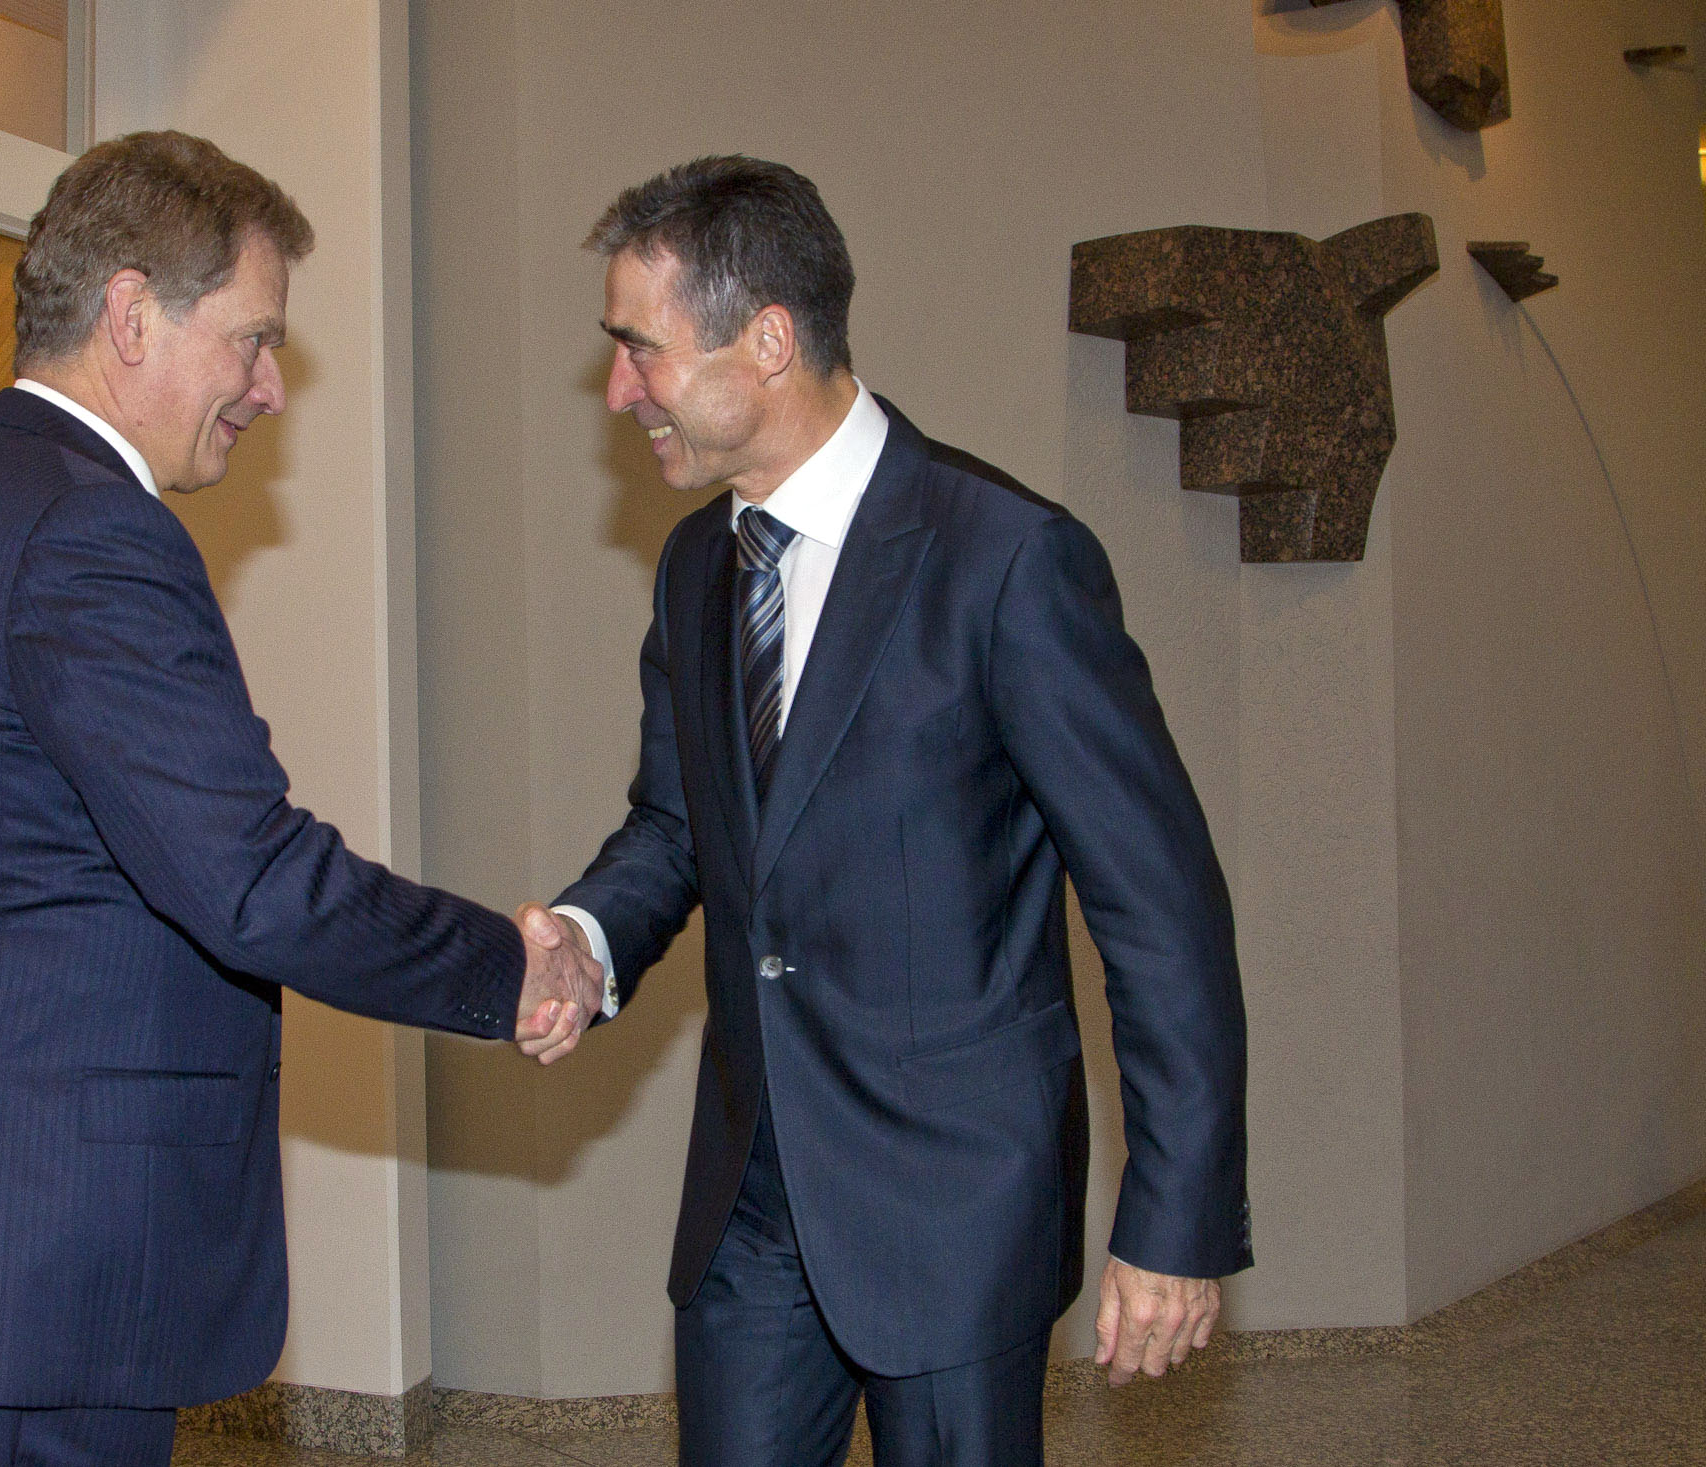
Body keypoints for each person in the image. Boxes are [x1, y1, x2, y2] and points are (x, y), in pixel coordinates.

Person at [0, 131, 601, 1467]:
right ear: (130, 316)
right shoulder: (86, 530)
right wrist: (514, 966)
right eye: (250, 340)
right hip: (38, 1269)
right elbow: (250, 880)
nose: (269, 388)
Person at [531, 156, 1251, 1467]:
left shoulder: (1008, 560)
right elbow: (679, 827)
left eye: (639, 349)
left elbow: (1161, 906)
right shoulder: (700, 565)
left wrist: (1176, 1216)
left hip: (956, 1204)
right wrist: (589, 937)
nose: (618, 386)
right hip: (753, 1210)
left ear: (768, 341)